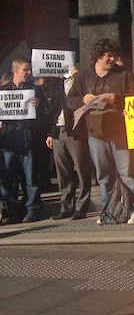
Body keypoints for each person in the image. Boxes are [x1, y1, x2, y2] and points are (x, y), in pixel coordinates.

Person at [66, 39, 134, 224]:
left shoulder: (123, 75)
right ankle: (110, 210)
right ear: (98, 56)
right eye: (108, 55)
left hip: (120, 133)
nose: (112, 59)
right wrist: (83, 99)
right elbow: (70, 100)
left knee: (127, 172)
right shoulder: (83, 76)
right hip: (95, 134)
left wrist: (117, 99)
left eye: (114, 55)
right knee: (104, 175)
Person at [0, 59, 51, 223]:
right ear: (15, 71)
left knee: (30, 177)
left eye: (29, 70)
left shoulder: (35, 91)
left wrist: (38, 106)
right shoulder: (2, 91)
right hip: (8, 141)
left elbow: (46, 114)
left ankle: (33, 209)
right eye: (25, 70)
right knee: (7, 177)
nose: (29, 73)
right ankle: (11, 209)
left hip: (27, 140)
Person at [46, 64, 93, 220]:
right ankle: (66, 207)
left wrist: (76, 76)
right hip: (58, 130)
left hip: (75, 129)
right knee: (63, 171)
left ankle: (82, 207)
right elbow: (53, 109)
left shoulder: (81, 81)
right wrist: (51, 133)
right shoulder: (57, 85)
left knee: (81, 168)